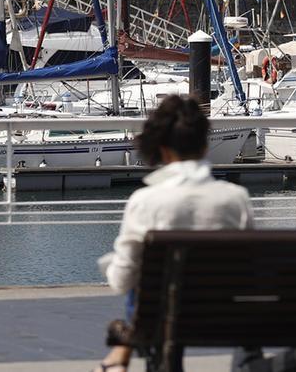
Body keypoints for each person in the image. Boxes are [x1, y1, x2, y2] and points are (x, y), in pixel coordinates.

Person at [96, 94, 253, 371]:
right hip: (226, 316)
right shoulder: (236, 199)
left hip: (160, 318)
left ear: (163, 149)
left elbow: (121, 282)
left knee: (146, 279)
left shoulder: (145, 202)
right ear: (205, 146)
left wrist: (109, 265)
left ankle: (121, 358)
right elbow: (249, 268)